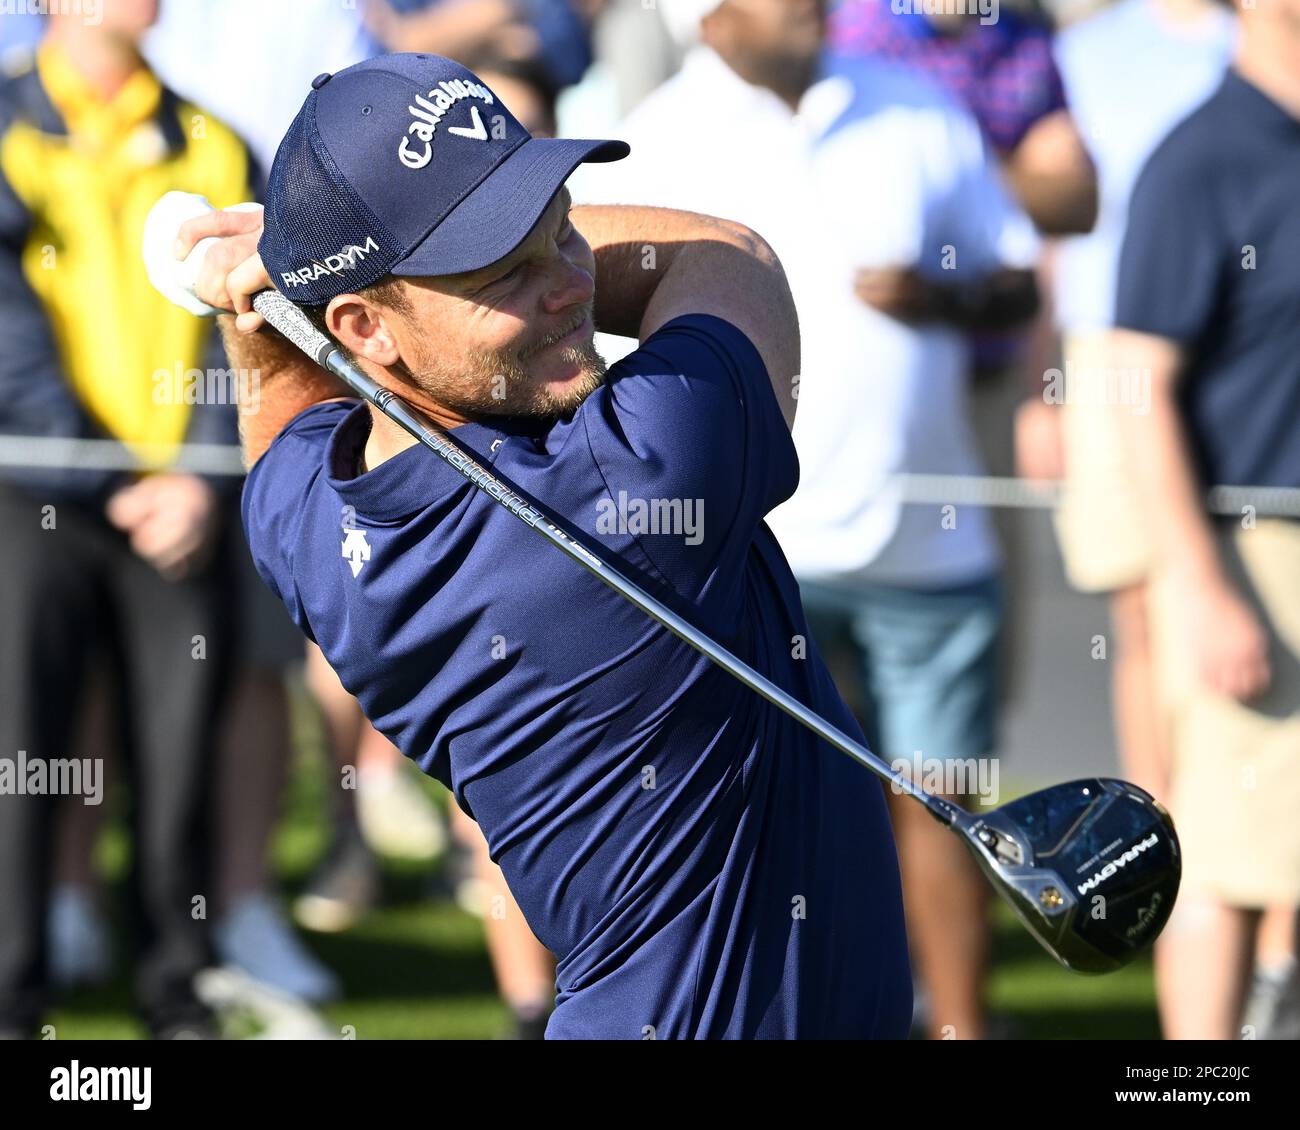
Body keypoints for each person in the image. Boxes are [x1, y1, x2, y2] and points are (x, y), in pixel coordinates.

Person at [172, 51, 912, 1039]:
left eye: (561, 224)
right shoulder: (647, 476)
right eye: (504, 270)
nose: (568, 282)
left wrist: (270, 285)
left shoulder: (318, 523)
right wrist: (280, 266)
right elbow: (724, 255)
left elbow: (283, 414)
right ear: (363, 324)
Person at [584, 0, 1037, 1039]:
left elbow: (1014, 280)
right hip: (735, 550)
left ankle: (959, 1024)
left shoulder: (918, 105)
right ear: (707, 16)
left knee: (942, 797)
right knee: (753, 817)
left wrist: (945, 297)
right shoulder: (654, 137)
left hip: (927, 534)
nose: (810, 5)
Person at [0, 0, 254, 1039]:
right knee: (20, 756)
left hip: (181, 502)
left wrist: (197, 474)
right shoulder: (9, 125)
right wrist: (110, 478)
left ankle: (176, 994)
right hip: (31, 496)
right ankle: (14, 1000)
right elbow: (6, 329)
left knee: (183, 754)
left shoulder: (216, 139)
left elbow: (246, 315)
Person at [1111, 0, 1300, 1040]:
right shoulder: (1202, 159)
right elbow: (1137, 383)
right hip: (1256, 551)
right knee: (1226, 858)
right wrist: (1199, 584)